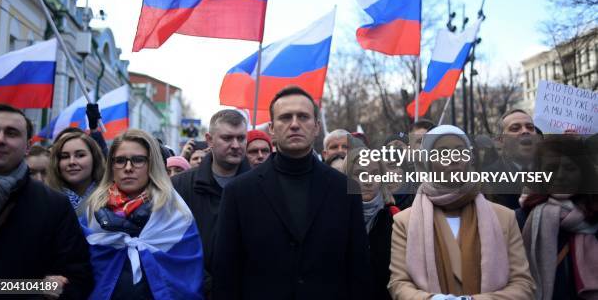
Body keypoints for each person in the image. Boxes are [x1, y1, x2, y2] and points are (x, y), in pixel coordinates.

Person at [213, 86, 372, 299]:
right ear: (272, 128)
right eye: (285, 117)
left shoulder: (344, 188)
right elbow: (226, 272)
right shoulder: (239, 191)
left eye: (303, 117)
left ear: (316, 127)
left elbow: (358, 266)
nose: (295, 124)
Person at [388, 125, 535, 300]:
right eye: (442, 153)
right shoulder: (404, 221)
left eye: (460, 151)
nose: (453, 158)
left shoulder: (504, 217)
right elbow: (398, 284)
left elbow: (523, 285)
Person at [81, 129, 204, 299]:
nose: (128, 168)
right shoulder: (91, 212)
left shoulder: (176, 213)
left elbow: (188, 278)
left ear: (151, 164)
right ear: (111, 166)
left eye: (138, 160)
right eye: (120, 161)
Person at [0, 104, 93, 298]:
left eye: (11, 133)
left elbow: (78, 280)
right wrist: (33, 286)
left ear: (28, 146)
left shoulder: (55, 206)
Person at [172, 109, 250, 297]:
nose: (236, 145)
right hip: (192, 290)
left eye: (241, 138)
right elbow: (171, 243)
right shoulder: (179, 186)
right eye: (227, 138)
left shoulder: (261, 185)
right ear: (209, 140)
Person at [517, 136, 598, 300]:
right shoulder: (520, 219)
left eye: (570, 168)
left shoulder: (595, 217)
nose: (560, 175)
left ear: (584, 173)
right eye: (551, 168)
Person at [345, 148, 394, 300]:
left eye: (375, 174)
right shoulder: (332, 217)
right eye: (360, 174)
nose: (368, 180)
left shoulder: (396, 217)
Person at [486, 109, 540, 209]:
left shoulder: (555, 172)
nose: (525, 131)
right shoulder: (486, 180)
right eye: (515, 128)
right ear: (501, 140)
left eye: (530, 127)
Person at [47, 131, 105, 211]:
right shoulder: (45, 201)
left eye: (80, 155)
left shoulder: (112, 199)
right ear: (57, 162)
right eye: (65, 157)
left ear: (94, 159)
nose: (72, 162)